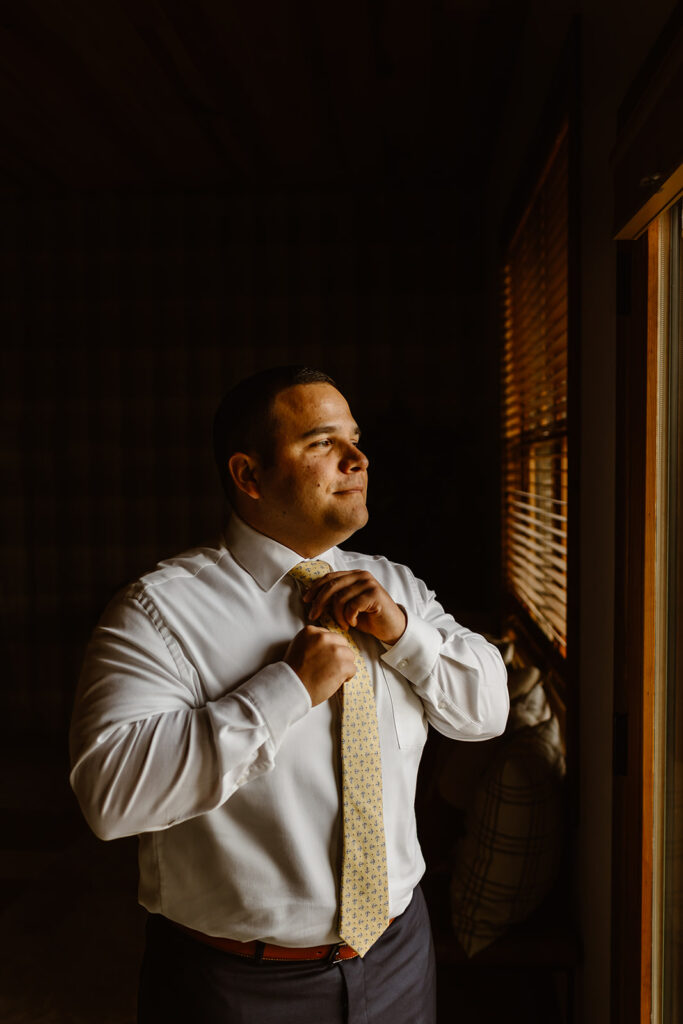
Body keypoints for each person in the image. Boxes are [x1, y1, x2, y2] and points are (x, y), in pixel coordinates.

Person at [69, 365, 509, 1024]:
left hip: (396, 957)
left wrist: (405, 635)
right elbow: (110, 797)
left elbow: (485, 714)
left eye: (354, 439)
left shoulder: (395, 588)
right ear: (248, 476)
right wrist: (285, 690)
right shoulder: (157, 612)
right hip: (234, 987)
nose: (356, 459)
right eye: (321, 443)